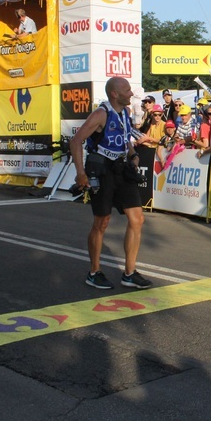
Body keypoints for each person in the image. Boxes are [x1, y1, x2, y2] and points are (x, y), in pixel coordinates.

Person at [70, 77, 152, 290]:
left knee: (137, 219)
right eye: (126, 90)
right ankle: (94, 272)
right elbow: (76, 140)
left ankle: (129, 273)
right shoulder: (101, 114)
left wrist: (133, 154)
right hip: (103, 169)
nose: (131, 93)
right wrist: (80, 173)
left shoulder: (125, 113)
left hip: (122, 169)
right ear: (114, 94)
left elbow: (125, 139)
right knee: (102, 221)